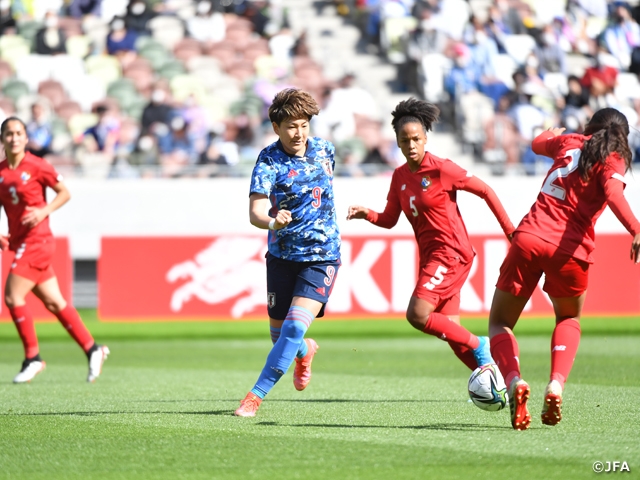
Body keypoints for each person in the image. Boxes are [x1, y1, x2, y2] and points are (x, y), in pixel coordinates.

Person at [488, 108, 640, 431]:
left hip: (529, 237)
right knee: (568, 318)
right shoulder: (613, 159)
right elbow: (613, 194)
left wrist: (551, 131)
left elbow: (537, 143)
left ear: (589, 127)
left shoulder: (569, 141)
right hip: (570, 251)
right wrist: (636, 228)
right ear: (622, 139)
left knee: (500, 323)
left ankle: (515, 381)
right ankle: (555, 384)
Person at [347, 98, 515, 377]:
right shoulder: (399, 176)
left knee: (417, 314)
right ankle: (501, 382)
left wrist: (510, 231)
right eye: (405, 140)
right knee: (451, 332)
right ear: (397, 142)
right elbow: (389, 219)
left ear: (425, 138)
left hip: (451, 253)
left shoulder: (441, 169)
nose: (411, 145)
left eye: (416, 139)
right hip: (432, 257)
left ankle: (481, 344)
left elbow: (486, 190)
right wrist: (368, 214)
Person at [234, 88, 341, 417]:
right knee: (280, 337)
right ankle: (304, 352)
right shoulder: (268, 160)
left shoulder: (326, 150)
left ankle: (254, 397)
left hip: (322, 255)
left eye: (304, 125)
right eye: (291, 126)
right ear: (277, 127)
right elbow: (255, 211)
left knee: (294, 327)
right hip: (282, 257)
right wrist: (271, 221)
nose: (299, 133)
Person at [0, 117, 110, 383]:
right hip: (21, 243)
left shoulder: (37, 166)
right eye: (9, 134)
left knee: (13, 296)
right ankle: (92, 348)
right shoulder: (1, 172)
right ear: (2, 139)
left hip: (38, 241)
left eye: (19, 133)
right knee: (54, 302)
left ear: (26, 138)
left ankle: (33, 358)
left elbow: (64, 192)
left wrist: (43, 211)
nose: (14, 138)